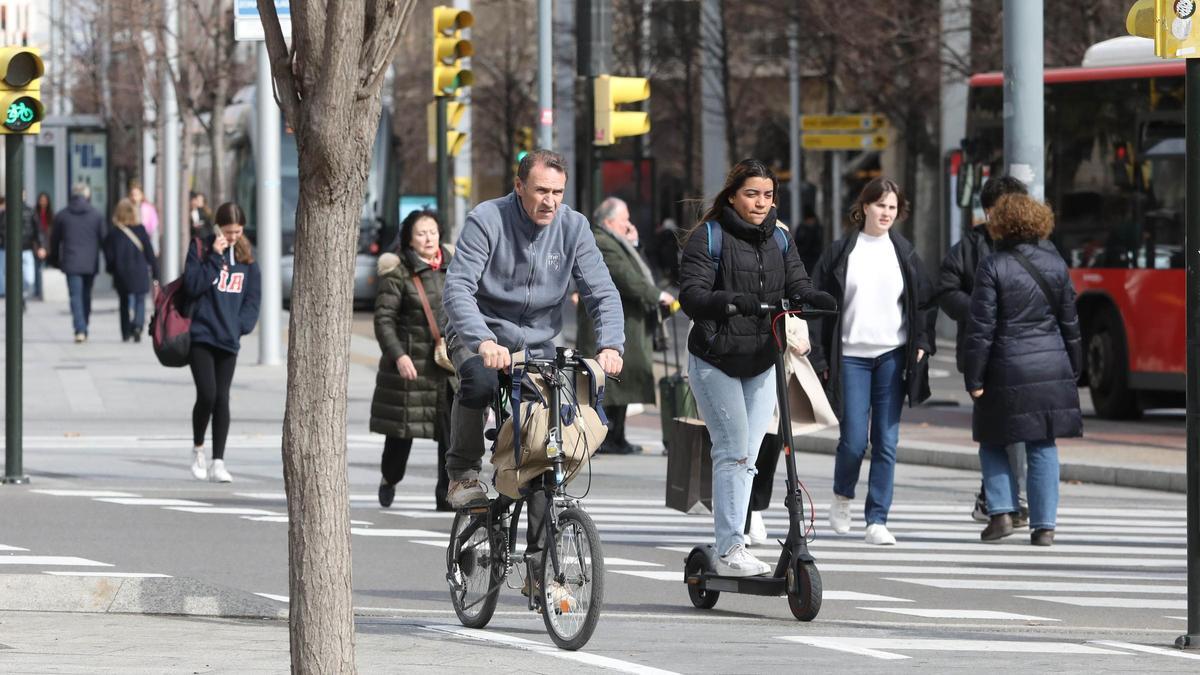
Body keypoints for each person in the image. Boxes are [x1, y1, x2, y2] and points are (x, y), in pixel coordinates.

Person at [441, 148, 625, 510]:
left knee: (550, 427)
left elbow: (602, 292)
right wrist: (483, 341)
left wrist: (611, 346)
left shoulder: (573, 227)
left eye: (557, 192)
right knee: (479, 382)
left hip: (537, 343)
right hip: (481, 330)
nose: (550, 201)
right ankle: (462, 471)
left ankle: (542, 551)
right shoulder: (487, 219)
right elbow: (458, 287)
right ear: (519, 186)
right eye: (541, 191)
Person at [678, 158, 836, 577]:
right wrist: (728, 301)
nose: (761, 202)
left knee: (750, 454)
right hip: (715, 358)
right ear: (733, 196)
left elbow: (796, 283)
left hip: (763, 358)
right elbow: (691, 295)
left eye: (768, 195)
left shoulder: (780, 239)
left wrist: (813, 298)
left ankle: (736, 541)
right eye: (752, 194)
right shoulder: (709, 237)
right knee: (733, 451)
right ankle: (731, 549)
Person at [808, 177, 936, 546]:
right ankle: (842, 495)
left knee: (886, 440)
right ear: (864, 207)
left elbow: (925, 303)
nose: (886, 213)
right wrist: (817, 353)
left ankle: (877, 518)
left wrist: (922, 342)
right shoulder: (840, 252)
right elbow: (817, 303)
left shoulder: (905, 254)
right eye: (880, 205)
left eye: (892, 207)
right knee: (852, 440)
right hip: (850, 356)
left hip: (892, 356)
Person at [964, 193, 1082, 546]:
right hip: (1051, 364)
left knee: (993, 439)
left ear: (1000, 224)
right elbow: (1070, 322)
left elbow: (981, 327)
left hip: (1006, 366)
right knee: (1043, 444)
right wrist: (1074, 369)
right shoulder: (1056, 263)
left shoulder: (993, 265)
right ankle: (1044, 527)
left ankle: (1001, 512)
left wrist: (975, 377)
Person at [937, 175, 1030, 525]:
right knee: (997, 428)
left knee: (1015, 427)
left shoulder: (1032, 245)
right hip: (981, 350)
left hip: (1021, 350)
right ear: (989, 211)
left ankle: (1003, 498)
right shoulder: (969, 246)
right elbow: (946, 289)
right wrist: (980, 309)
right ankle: (999, 497)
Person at [370, 209, 455, 510]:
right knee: (401, 434)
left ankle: (446, 494)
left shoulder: (455, 268)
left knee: (451, 434)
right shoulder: (398, 274)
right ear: (409, 239)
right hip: (411, 367)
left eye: (432, 231)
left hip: (447, 367)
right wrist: (398, 355)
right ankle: (389, 478)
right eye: (421, 233)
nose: (429, 238)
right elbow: (384, 320)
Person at [576, 196, 674, 455]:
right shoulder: (601, 242)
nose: (629, 224)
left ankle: (617, 436)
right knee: (609, 386)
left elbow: (637, 268)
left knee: (623, 383)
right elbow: (626, 277)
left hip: (628, 323)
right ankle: (605, 437)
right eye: (624, 220)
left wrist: (634, 243)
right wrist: (656, 295)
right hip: (613, 324)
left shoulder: (617, 241)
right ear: (609, 221)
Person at [182, 202, 261, 483]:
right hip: (201, 335)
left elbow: (253, 298)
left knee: (222, 398)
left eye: (237, 231)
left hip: (228, 337)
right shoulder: (201, 249)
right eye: (228, 231)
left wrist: (241, 326)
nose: (232, 236)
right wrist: (214, 258)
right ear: (217, 227)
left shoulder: (247, 258)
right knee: (207, 394)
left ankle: (219, 460)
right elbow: (192, 285)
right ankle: (198, 448)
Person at [48, 183, 106, 343]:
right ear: (87, 196)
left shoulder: (62, 215)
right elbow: (104, 240)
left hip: (71, 261)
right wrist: (109, 261)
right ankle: (83, 324)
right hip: (90, 262)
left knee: (75, 296)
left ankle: (80, 329)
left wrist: (53, 259)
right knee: (86, 295)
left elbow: (54, 240)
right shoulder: (96, 215)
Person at [102, 198, 159, 342]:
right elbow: (149, 253)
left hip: (121, 272)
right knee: (140, 299)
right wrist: (156, 272)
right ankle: (138, 326)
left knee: (124, 302)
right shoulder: (140, 230)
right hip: (139, 271)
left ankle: (126, 331)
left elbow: (109, 255)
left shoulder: (113, 233)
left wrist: (111, 269)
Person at [129, 181, 159, 251]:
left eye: (136, 195)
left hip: (146, 242)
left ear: (141, 195)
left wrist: (155, 248)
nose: (134, 197)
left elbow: (154, 228)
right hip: (131, 243)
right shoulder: (128, 209)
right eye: (132, 195)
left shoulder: (149, 209)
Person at [34, 192, 53, 299]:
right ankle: (38, 290)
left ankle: (43, 290)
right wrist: (38, 247)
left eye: (45, 200)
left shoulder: (51, 214)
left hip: (47, 245)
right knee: (37, 269)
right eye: (41, 200)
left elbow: (51, 232)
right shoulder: (35, 213)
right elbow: (35, 232)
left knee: (44, 268)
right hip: (37, 245)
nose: (43, 202)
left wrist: (47, 248)